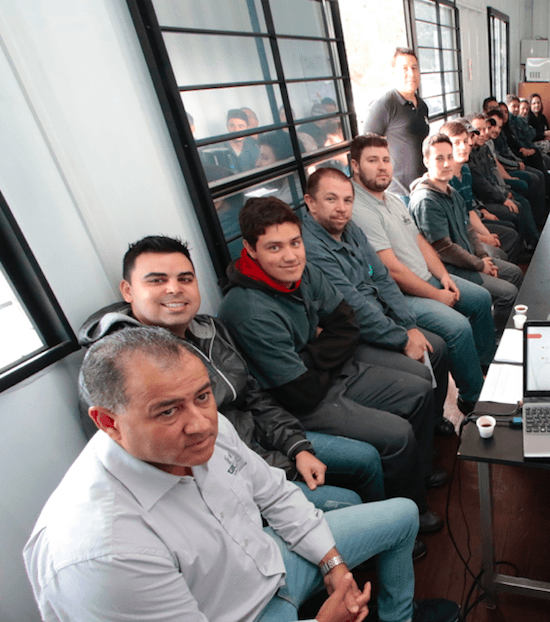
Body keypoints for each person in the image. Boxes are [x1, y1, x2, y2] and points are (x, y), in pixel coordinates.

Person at [26, 327, 460, 622]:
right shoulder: (102, 552)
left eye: (202, 396)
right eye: (168, 411)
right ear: (109, 422)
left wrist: (333, 564)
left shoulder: (206, 426)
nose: (201, 424)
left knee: (402, 515)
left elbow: (274, 494)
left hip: (268, 565)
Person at [76, 235, 386, 512]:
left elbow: (254, 396)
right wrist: (278, 469)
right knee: (347, 501)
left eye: (185, 278)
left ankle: (372, 538)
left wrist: (297, 447)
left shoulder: (211, 330)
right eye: (157, 281)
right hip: (222, 481)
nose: (174, 288)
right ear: (128, 290)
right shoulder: (116, 365)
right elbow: (165, 461)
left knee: (366, 459)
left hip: (261, 444)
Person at [219, 197, 446, 532]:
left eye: (295, 243)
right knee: (395, 434)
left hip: (323, 374)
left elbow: (347, 324)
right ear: (251, 250)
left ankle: (417, 473)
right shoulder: (249, 311)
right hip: (297, 400)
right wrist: (326, 348)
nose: (290, 256)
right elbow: (302, 393)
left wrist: (310, 354)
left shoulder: (304, 273)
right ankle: (405, 521)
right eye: (274, 247)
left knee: (419, 388)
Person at [301, 168, 459, 439]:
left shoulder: (350, 229)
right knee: (418, 372)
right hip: (352, 334)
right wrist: (402, 338)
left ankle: (433, 420)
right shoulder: (311, 248)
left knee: (438, 348)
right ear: (310, 202)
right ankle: (417, 441)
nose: (341, 208)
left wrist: (408, 324)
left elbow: (382, 277)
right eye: (331, 199)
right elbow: (353, 307)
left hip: (379, 316)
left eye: (347, 200)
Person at [348, 133, 495, 414]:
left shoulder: (392, 199)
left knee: (480, 298)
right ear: (355, 166)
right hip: (401, 294)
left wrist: (444, 276)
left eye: (386, 159)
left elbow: (420, 241)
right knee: (458, 327)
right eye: (372, 160)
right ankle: (472, 398)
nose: (382, 166)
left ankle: (485, 367)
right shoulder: (358, 209)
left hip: (427, 278)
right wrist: (436, 295)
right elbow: (392, 271)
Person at [410, 134, 522, 328]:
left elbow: (468, 228)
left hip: (469, 261)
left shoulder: (451, 192)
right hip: (451, 271)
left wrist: (483, 256)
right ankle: (496, 335)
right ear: (426, 161)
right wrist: (480, 265)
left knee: (515, 273)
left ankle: (501, 325)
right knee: (509, 293)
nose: (447, 164)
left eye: (449, 157)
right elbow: (445, 249)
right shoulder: (426, 201)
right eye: (439, 158)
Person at [441, 120, 535, 252]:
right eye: (456, 143)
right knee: (510, 231)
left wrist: (487, 234)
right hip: (460, 237)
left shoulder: (465, 170)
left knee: (510, 234)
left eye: (465, 141)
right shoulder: (444, 181)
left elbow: (469, 210)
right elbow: (454, 229)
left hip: (470, 222)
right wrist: (485, 238)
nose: (464, 147)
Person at [364, 48, 429, 195]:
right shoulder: (385, 104)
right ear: (393, 73)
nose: (411, 73)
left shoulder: (422, 106)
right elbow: (365, 147)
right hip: (398, 191)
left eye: (414, 68)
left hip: (423, 186)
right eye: (404, 68)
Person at [526, 92, 550, 168]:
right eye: (534, 103)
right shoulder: (529, 118)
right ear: (530, 105)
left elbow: (548, 130)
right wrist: (544, 134)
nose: (537, 105)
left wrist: (547, 136)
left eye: (538, 103)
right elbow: (532, 135)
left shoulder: (542, 117)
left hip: (543, 141)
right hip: (533, 143)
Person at [225, 108, 259, 173]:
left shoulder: (257, 146)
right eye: (232, 126)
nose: (236, 130)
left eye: (241, 126)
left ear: (247, 127)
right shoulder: (217, 149)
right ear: (227, 126)